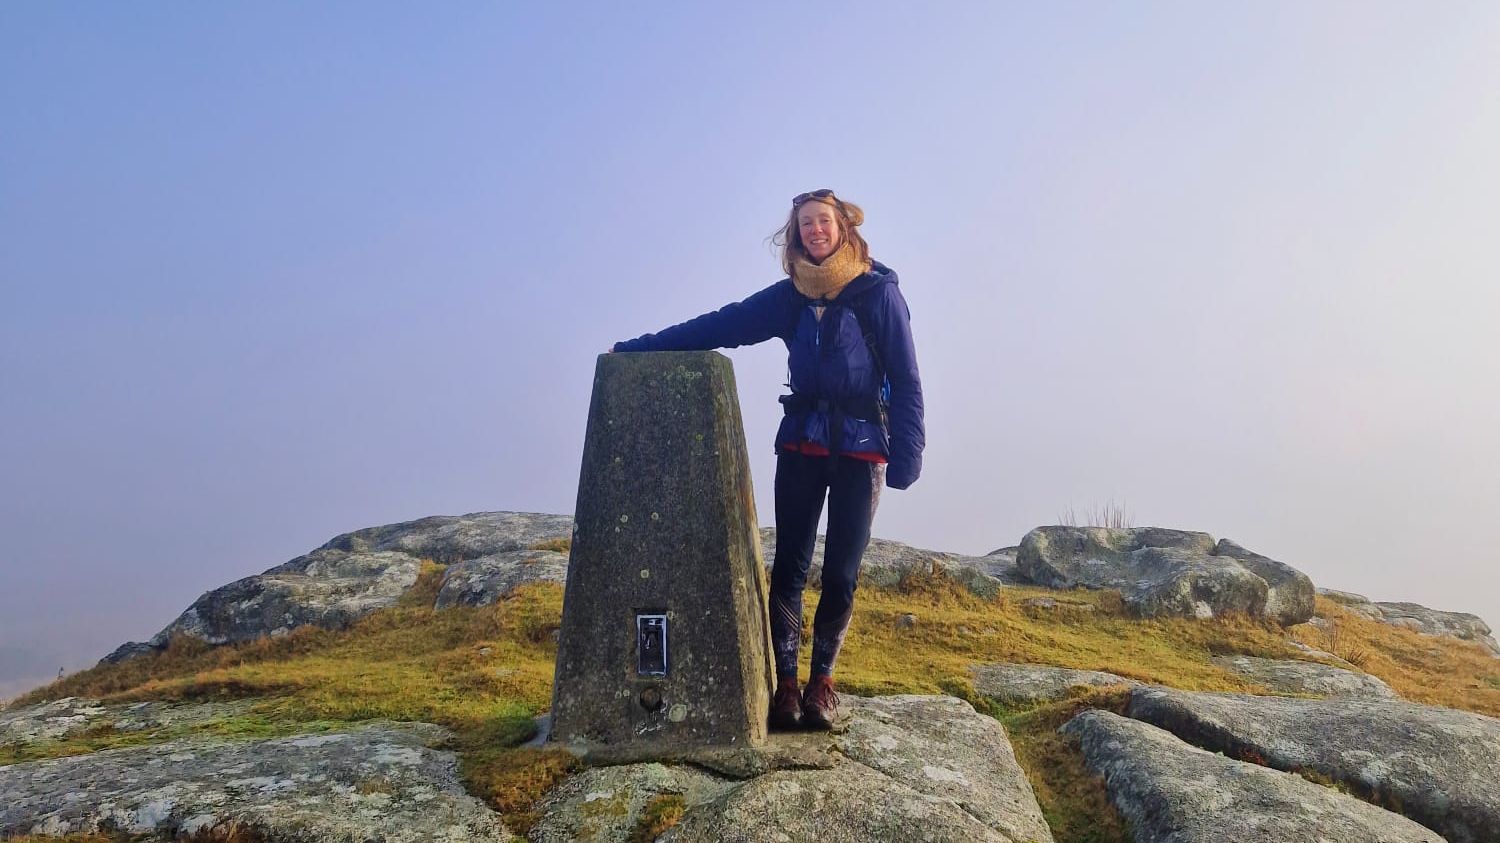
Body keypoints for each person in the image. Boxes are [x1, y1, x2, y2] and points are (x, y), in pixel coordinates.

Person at [610, 189, 924, 730]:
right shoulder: (790, 297)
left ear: (843, 227)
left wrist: (907, 457)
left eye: (823, 221)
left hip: (862, 450)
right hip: (801, 445)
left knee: (842, 573)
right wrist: (641, 347)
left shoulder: (878, 293)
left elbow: (907, 377)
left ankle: (823, 685)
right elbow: (723, 324)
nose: (815, 230)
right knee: (789, 569)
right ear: (795, 233)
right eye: (805, 223)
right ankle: (787, 687)